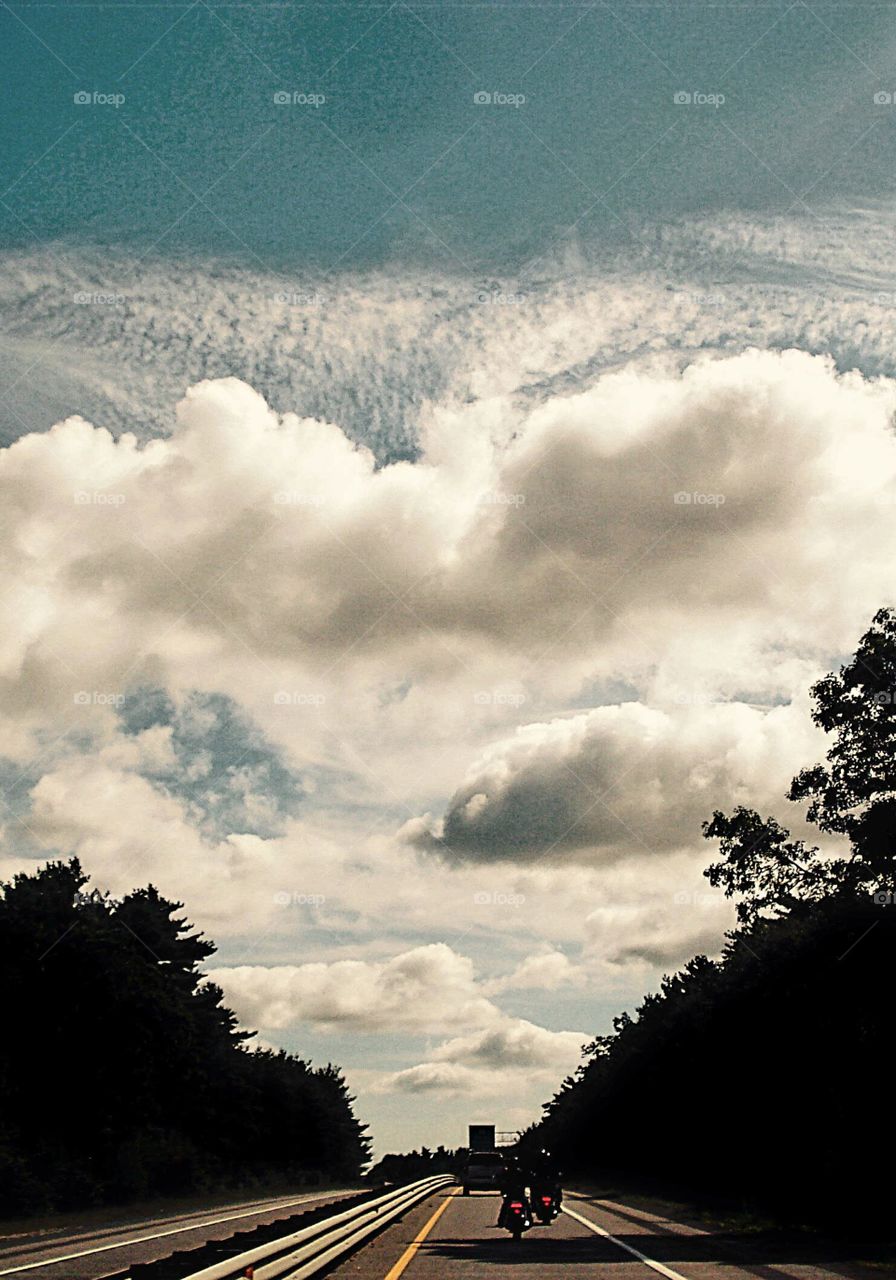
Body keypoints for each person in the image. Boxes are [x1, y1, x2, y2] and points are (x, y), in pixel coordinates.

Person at [497, 1155, 530, 1227]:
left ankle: (501, 1221)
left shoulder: (517, 1172)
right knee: (506, 1206)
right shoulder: (508, 1173)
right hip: (512, 1195)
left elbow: (527, 1180)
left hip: (517, 1195)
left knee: (525, 1205)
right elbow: (501, 1182)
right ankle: (501, 1221)